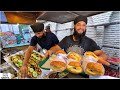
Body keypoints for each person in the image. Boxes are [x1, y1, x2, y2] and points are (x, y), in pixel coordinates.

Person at [46, 15, 110, 66]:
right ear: (74, 26)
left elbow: (103, 54)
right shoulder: (66, 39)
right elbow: (57, 48)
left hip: (82, 72)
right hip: (67, 69)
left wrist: (97, 59)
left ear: (86, 27)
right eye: (78, 24)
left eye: (83, 25)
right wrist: (51, 50)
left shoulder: (90, 42)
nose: (81, 27)